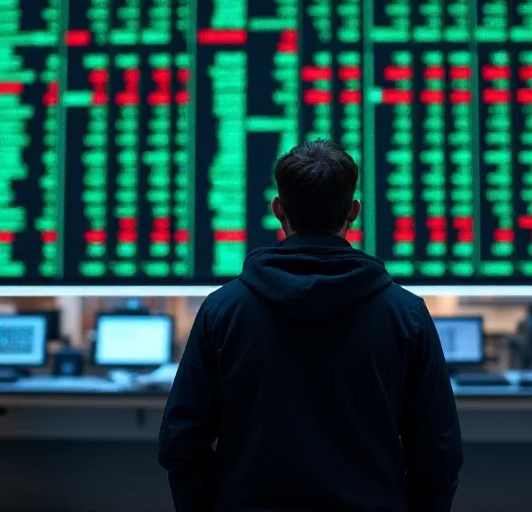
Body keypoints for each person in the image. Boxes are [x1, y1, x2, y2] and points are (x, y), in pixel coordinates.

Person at [158, 140, 463, 511]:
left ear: (278, 210)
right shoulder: (405, 314)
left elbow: (182, 442)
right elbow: (438, 452)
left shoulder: (223, 309)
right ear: (353, 211)